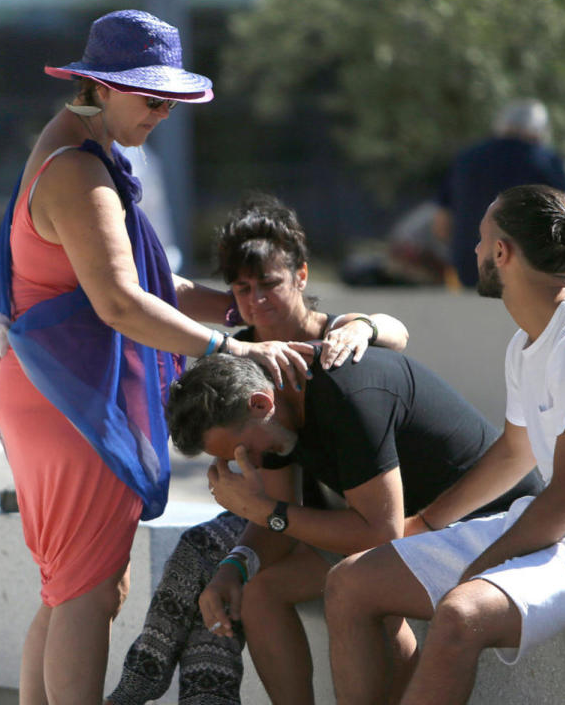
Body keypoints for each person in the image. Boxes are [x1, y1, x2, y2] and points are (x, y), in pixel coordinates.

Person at [0, 11, 313, 705]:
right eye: (152, 99)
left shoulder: (86, 151)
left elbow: (158, 287)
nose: (163, 115)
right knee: (88, 593)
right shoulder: (79, 172)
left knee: (69, 586)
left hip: (55, 390)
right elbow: (122, 305)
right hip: (70, 401)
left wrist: (240, 311)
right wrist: (226, 345)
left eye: (172, 102)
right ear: (102, 86)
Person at [325, 185, 565, 705]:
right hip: (558, 526)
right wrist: (425, 525)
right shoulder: (527, 341)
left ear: (501, 253)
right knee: (349, 584)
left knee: (460, 613)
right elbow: (515, 452)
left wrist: (479, 567)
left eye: (479, 239)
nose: (471, 252)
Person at [106, 193, 413, 705]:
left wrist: (367, 325)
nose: (257, 301)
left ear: (302, 277)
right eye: (242, 289)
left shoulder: (335, 341)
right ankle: (172, 677)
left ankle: (160, 680)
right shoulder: (241, 352)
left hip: (350, 510)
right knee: (209, 556)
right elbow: (273, 484)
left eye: (269, 283)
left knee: (227, 561)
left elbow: (397, 333)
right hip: (286, 507)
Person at [161, 348, 543, 705]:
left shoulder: (348, 397)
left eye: (243, 452)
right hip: (417, 529)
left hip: (494, 523)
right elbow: (283, 517)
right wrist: (235, 565)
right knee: (260, 592)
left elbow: (380, 535)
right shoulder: (273, 417)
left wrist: (264, 510)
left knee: (357, 584)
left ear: (261, 403)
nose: (247, 463)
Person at [435, 99, 565, 287]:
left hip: (470, 269)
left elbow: (441, 224)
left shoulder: (466, 159)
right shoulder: (545, 161)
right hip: (528, 271)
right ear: (538, 129)